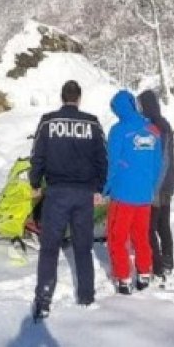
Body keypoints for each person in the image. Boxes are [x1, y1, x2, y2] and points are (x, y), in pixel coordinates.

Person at [29, 80, 107, 322]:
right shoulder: (92, 123)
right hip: (83, 194)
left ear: (62, 97)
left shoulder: (48, 121)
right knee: (83, 247)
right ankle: (86, 296)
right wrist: (100, 188)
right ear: (79, 98)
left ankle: (43, 300)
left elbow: (37, 155)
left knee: (50, 247)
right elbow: (102, 159)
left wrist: (34, 182)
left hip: (56, 193)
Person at [103, 89, 162, 294]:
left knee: (117, 237)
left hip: (122, 195)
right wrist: (150, 187)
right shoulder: (153, 130)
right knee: (141, 235)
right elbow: (157, 165)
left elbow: (111, 163)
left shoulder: (118, 130)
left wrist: (106, 187)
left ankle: (123, 278)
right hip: (144, 195)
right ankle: (144, 273)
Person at [138, 89, 174, 284]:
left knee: (149, 227)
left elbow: (161, 161)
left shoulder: (154, 127)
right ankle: (168, 259)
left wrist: (154, 187)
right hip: (168, 184)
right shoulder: (165, 124)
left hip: (157, 186)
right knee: (163, 225)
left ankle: (158, 264)